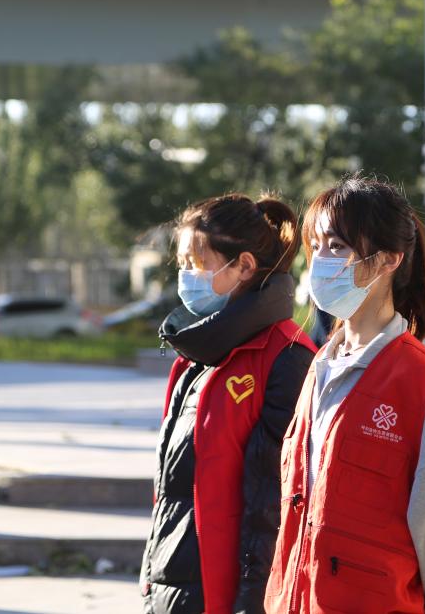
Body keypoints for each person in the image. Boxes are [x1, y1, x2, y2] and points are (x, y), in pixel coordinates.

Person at [265, 176, 425, 614]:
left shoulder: (421, 386)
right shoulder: (318, 368)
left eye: (338, 246)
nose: (321, 261)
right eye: (317, 246)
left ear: (388, 259)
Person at [141, 194, 317, 614]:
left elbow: (272, 508)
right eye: (183, 263)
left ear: (244, 266)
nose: (186, 276)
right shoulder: (195, 357)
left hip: (224, 599)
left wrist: (250, 605)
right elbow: (170, 497)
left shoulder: (286, 358)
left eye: (197, 263)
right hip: (171, 592)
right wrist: (150, 581)